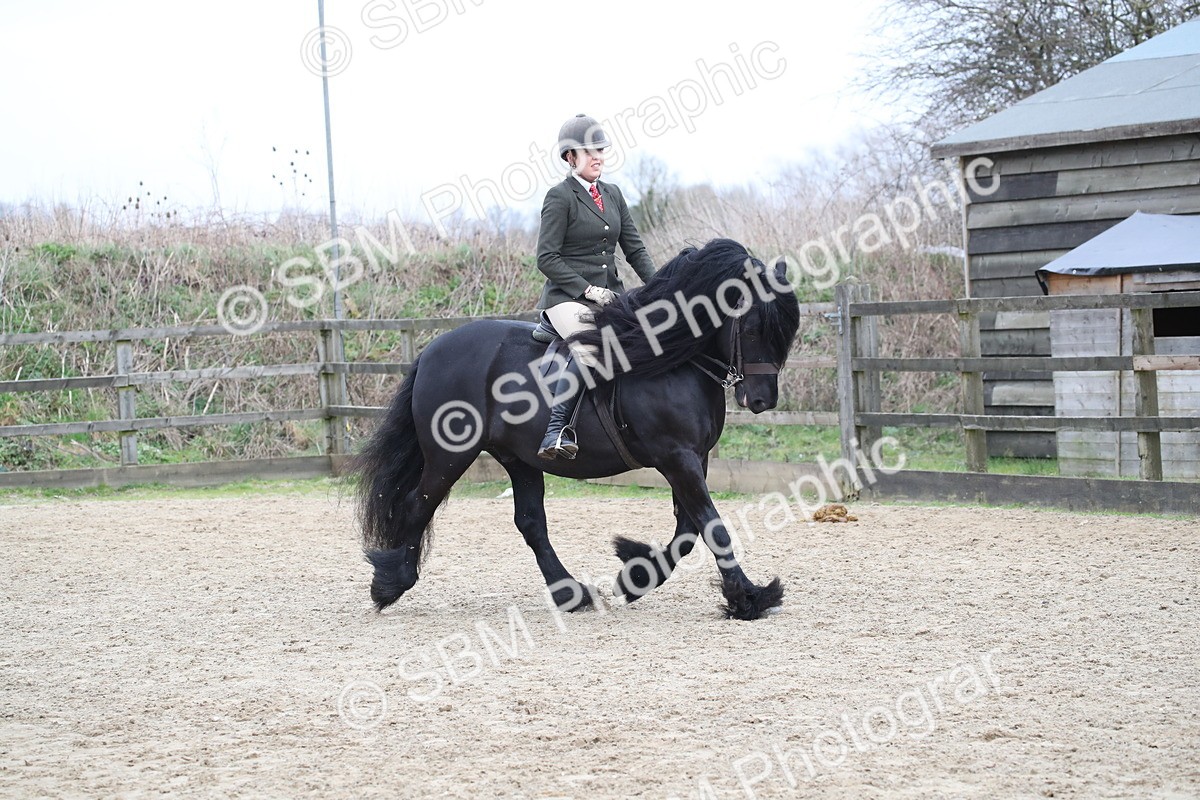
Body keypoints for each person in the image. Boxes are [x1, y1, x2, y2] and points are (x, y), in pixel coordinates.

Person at [535, 113, 657, 460]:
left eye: (600, 150)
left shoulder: (613, 194)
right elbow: (546, 258)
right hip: (567, 298)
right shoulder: (560, 197)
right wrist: (587, 290)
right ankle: (555, 431)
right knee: (590, 345)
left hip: (611, 296)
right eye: (589, 152)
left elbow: (635, 249)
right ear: (570, 157)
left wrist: (663, 286)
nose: (597, 157)